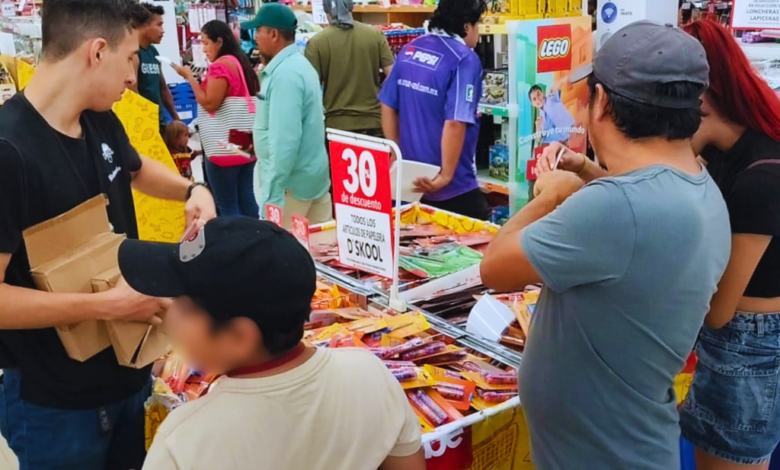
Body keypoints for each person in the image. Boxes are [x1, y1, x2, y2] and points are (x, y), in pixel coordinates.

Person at [480, 21, 731, 470]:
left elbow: (495, 268)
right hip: (627, 440)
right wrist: (587, 173)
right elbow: (638, 210)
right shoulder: (699, 186)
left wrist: (552, 197)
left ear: (604, 103)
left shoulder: (615, 209)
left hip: (601, 453)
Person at [0, 0, 216, 468]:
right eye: (129, 59)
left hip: (129, 374)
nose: (132, 77)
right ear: (97, 52)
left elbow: (135, 170)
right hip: (55, 403)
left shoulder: (99, 117)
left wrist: (192, 189)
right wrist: (106, 305)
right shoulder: (9, 151)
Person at [117, 218, 426, 470]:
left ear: (239, 337)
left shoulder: (183, 441)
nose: (167, 311)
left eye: (181, 305)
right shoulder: (369, 374)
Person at [677, 20, 780, 470]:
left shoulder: (760, 177)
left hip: (748, 348)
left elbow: (718, 310)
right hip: (733, 342)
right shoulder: (722, 153)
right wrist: (583, 169)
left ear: (700, 99)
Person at [379, 0, 490, 220]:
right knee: (482, 246)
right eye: (478, 25)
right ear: (467, 26)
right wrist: (446, 175)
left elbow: (388, 104)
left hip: (409, 180)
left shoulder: (412, 48)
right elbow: (456, 121)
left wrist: (396, 153)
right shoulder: (465, 59)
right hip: (452, 185)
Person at [242, 4, 332, 228]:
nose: (255, 38)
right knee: (318, 255)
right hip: (313, 180)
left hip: (290, 189)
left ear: (273, 34)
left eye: (258, 31)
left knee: (283, 259)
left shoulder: (285, 75)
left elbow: (285, 141)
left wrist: (272, 197)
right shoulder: (300, 65)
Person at [172, 20, 261, 219]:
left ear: (219, 42)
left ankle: (236, 246)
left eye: (205, 43)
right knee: (247, 198)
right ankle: (256, 240)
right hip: (244, 141)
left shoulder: (220, 67)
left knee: (227, 205)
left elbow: (209, 103)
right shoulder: (242, 63)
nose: (204, 49)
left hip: (223, 146)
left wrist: (189, 78)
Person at [304, 0, 394, 137]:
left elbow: (309, 90)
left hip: (336, 127)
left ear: (326, 11)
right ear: (351, 7)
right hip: (374, 122)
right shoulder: (375, 36)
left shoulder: (316, 43)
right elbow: (393, 77)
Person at [132, 2, 179, 130]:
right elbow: (133, 94)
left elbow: (163, 89)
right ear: (144, 25)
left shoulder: (153, 52)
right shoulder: (133, 54)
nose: (162, 31)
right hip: (143, 124)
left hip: (159, 121)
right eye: (159, 25)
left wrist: (176, 118)